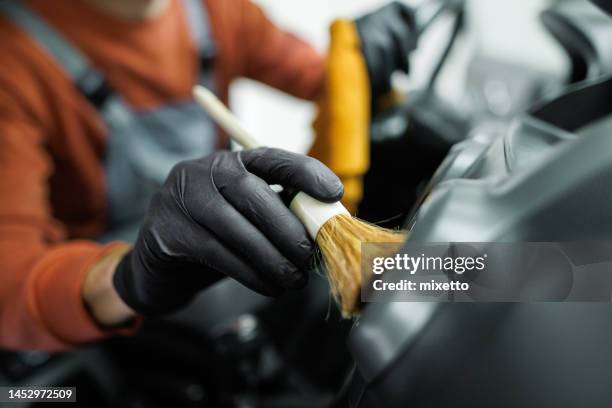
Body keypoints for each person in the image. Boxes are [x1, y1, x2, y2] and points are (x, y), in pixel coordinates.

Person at [0, 0, 415, 351]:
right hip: (131, 326)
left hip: (243, 264)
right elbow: (11, 289)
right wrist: (129, 278)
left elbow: (314, 75)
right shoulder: (15, 62)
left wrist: (359, 64)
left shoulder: (213, 9)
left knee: (451, 285)